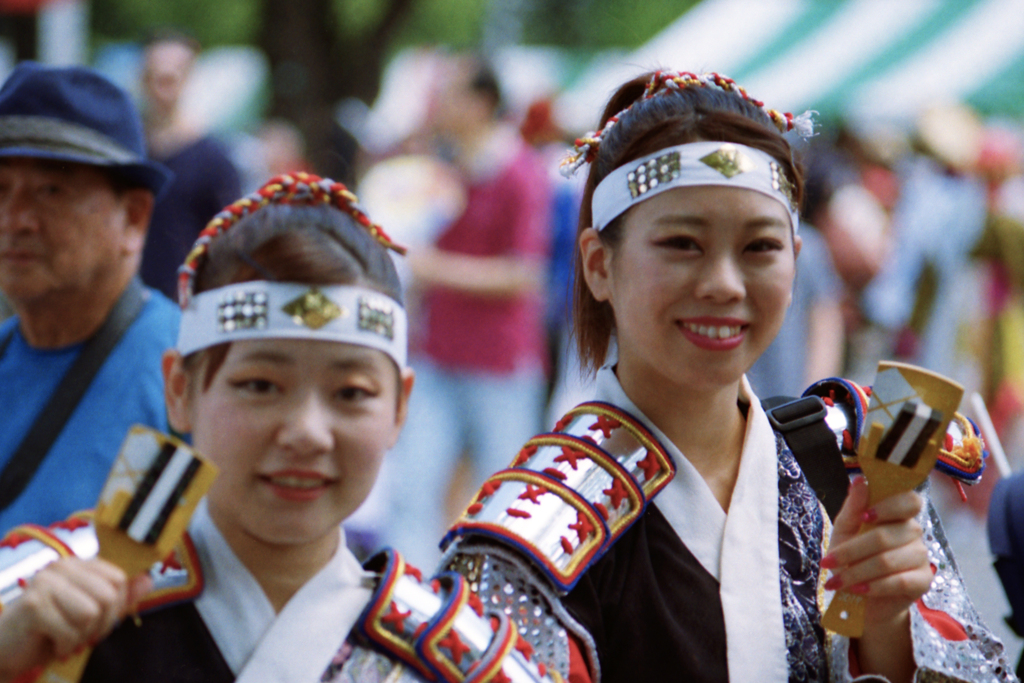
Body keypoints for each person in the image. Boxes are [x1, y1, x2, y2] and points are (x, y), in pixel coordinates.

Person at [438, 71, 1013, 682]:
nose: (723, 284)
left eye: (759, 247)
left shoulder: (857, 469)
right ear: (599, 265)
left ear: (796, 261)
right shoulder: (530, 537)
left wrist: (888, 628)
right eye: (682, 243)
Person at [0, 173, 555, 683]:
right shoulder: (43, 603)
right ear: (180, 391)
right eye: (261, 386)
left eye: (351, 394)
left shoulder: (459, 662)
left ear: (399, 409)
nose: (307, 433)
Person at [384, 54, 552, 568]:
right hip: (439, 354)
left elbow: (525, 274)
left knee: (504, 493)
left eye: (448, 92)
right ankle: (407, 600)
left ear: (481, 104)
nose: (434, 102)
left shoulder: (520, 173)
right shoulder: (440, 168)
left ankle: (498, 602)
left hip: (501, 362)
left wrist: (432, 269)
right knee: (412, 486)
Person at [0, 61, 178, 532]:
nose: (15, 219)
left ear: (134, 218)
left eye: (50, 190)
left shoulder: (185, 380)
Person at [138, 28, 242, 301]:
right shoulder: (127, 151)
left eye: (174, 76)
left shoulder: (215, 160)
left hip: (186, 308)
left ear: (190, 78)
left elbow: (228, 245)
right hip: (125, 307)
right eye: (156, 75)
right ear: (142, 77)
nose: (164, 86)